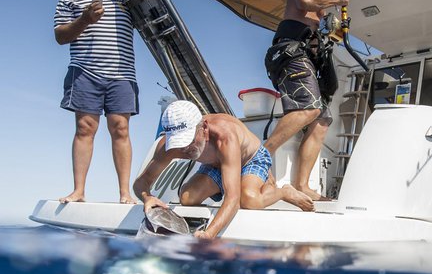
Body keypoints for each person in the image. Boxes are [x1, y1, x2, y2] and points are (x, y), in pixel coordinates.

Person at [134, 100, 314, 240]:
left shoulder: (225, 136)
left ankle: (283, 192)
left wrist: (209, 234)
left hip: (251, 160)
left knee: (249, 200)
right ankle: (232, 180)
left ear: (204, 127)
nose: (185, 149)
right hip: (217, 165)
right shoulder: (170, 146)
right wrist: (147, 196)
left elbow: (233, 199)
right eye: (179, 142)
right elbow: (142, 181)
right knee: (187, 198)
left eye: (189, 140)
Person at [54, 0, 138, 203]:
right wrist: (85, 20)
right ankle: (79, 191)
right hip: (85, 71)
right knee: (85, 127)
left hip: (122, 73)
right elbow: (59, 36)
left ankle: (125, 194)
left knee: (120, 128)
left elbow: (151, 14)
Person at [263, 0, 355, 201]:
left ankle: (302, 185)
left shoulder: (322, 9)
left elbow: (324, 26)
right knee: (309, 108)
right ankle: (260, 155)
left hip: (309, 59)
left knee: (322, 121)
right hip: (290, 52)